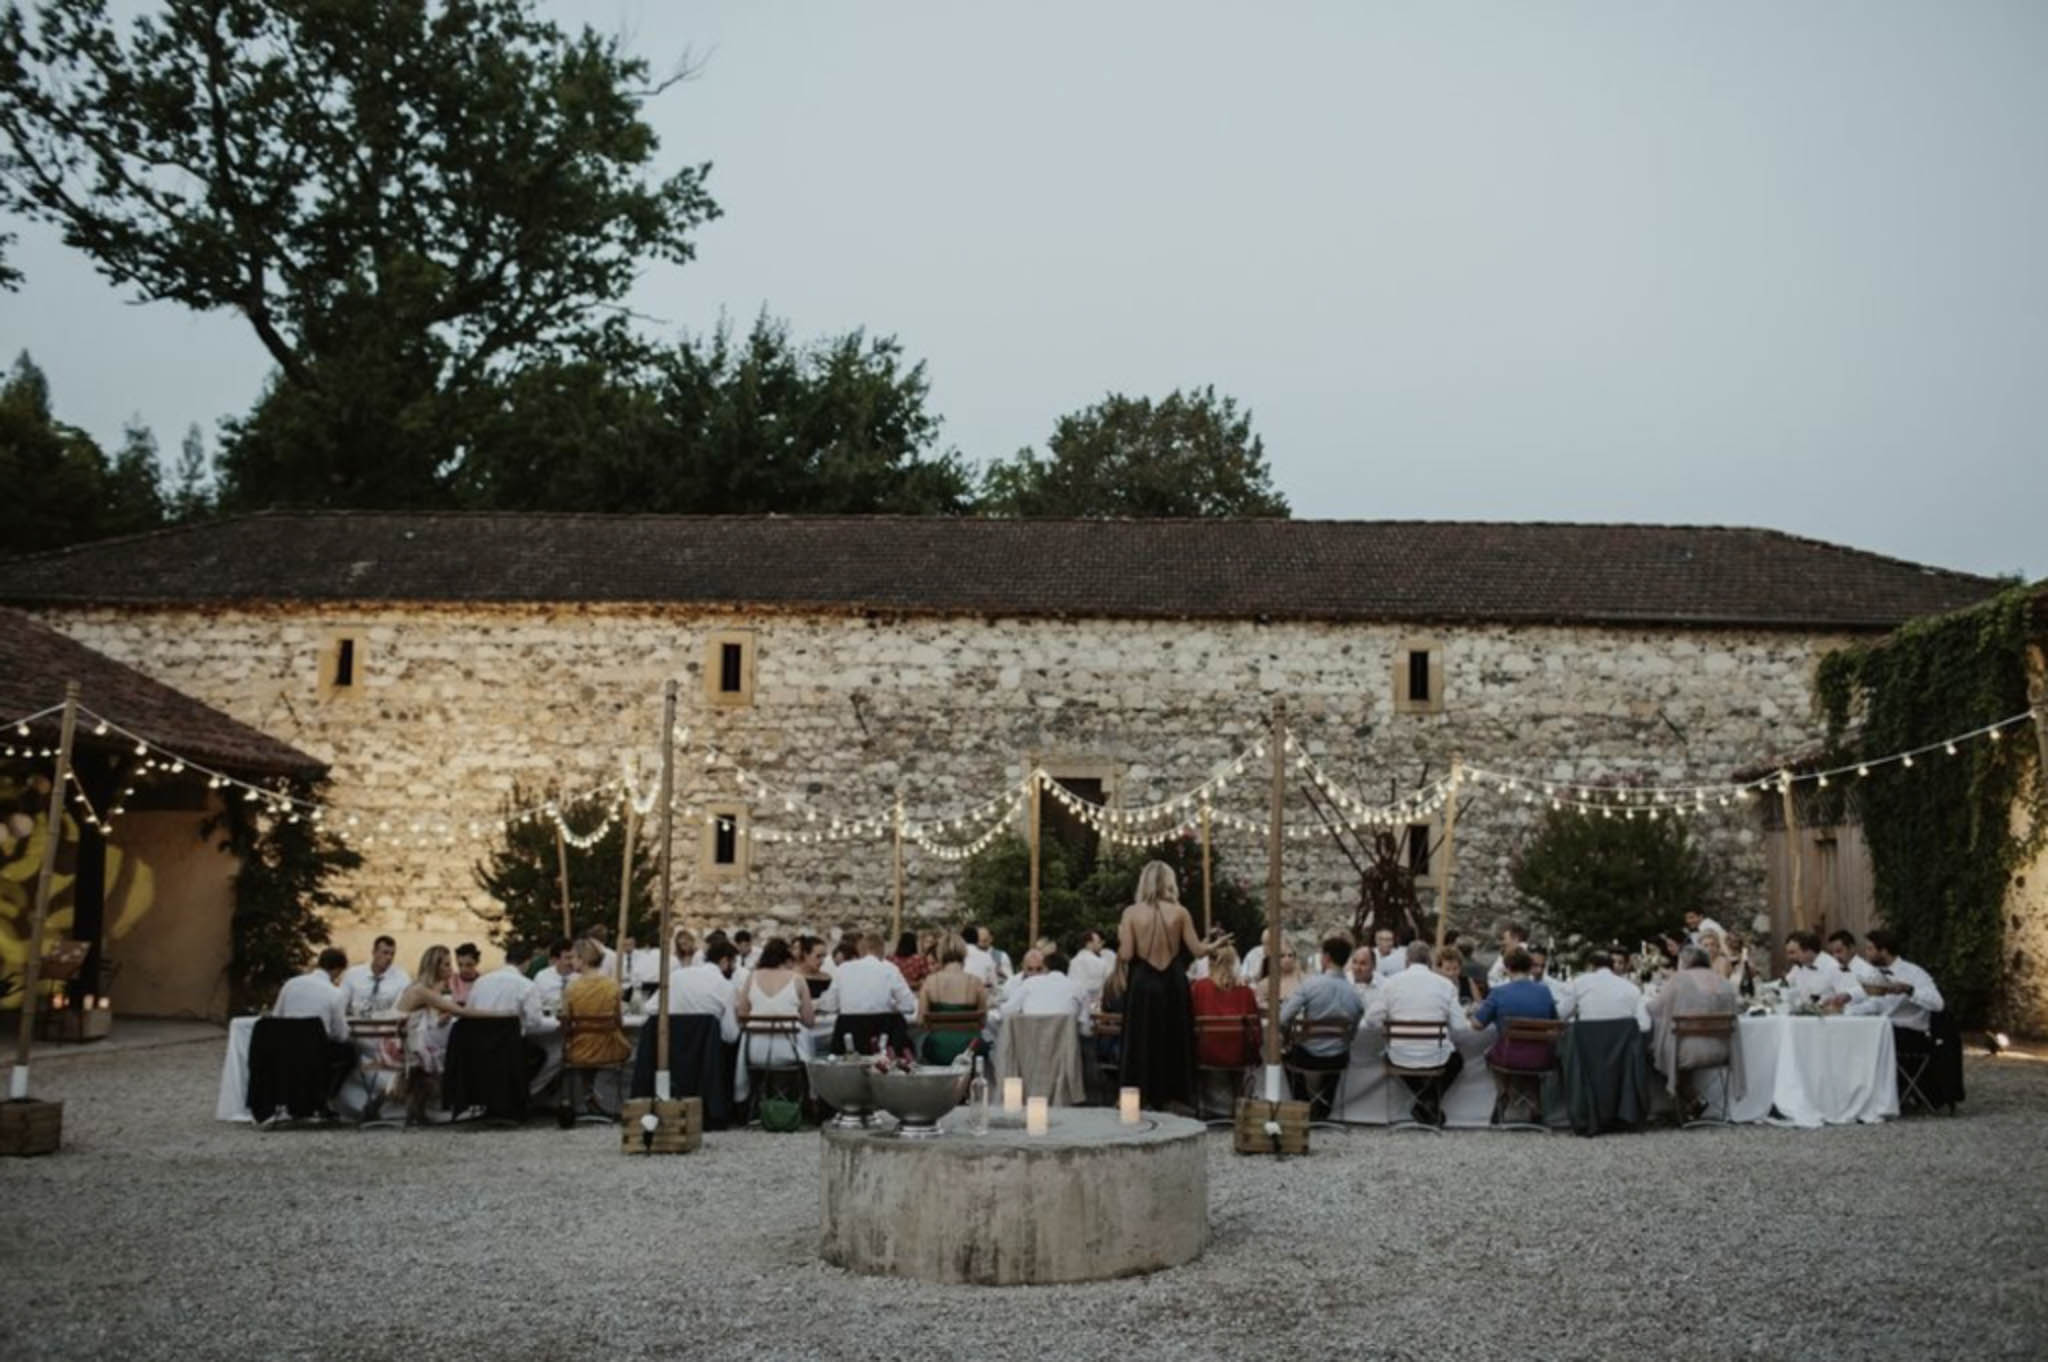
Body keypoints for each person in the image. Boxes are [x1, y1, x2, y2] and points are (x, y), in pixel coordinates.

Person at [1117, 860, 1228, 1113]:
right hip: (1173, 981)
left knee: (1141, 1037)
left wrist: (1120, 935)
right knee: (1173, 1036)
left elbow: (1126, 955)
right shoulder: (1180, 912)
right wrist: (1215, 945)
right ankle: (1174, 1095)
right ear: (1169, 882)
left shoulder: (1131, 913)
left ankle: (1139, 1095)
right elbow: (1198, 951)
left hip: (1143, 981)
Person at [1369, 942, 1465, 1125]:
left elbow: (1371, 1019)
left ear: (1407, 961)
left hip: (1399, 1054)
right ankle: (1427, 1102)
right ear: (1430, 961)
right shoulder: (1445, 985)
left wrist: (1388, 1024)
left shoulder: (1391, 983)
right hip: (1436, 1055)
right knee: (1456, 1060)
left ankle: (1424, 1102)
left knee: (1388, 1055)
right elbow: (1460, 1026)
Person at [1278, 936, 1364, 1111]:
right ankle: (1325, 1105)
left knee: (1286, 1055)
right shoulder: (1354, 994)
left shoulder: (1310, 985)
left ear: (1326, 958)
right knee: (1338, 1053)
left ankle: (1302, 1103)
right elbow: (1353, 1034)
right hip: (1338, 1058)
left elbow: (1283, 1018)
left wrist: (1289, 1034)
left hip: (1309, 1056)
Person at [394, 946, 476, 1122]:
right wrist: (503, 1013)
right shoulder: (422, 990)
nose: (452, 970)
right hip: (400, 1048)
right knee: (455, 1051)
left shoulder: (422, 987)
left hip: (406, 1043)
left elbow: (423, 1021)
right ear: (435, 966)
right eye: (447, 965)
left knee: (443, 1049)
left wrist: (441, 1020)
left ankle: (421, 1111)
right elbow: (463, 1012)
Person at [1647, 946, 1738, 1102]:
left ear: (1684, 962)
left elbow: (1654, 1008)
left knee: (1652, 1048)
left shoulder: (1678, 980)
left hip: (1686, 1052)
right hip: (1723, 1050)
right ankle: (1692, 1101)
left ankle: (1671, 1104)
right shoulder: (1724, 983)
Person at [1840, 929, 1944, 1057]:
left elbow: (1938, 1004)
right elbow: (1875, 1004)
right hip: (1886, 1031)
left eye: (1870, 949)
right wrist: (1844, 1011)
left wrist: (1909, 990)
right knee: (1850, 1036)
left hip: (1911, 1035)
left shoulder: (1914, 973)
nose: (1866, 954)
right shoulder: (1877, 973)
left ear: (1883, 951)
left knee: (1862, 1043)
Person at [819, 932, 918, 1054]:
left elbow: (829, 1006)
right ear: (882, 950)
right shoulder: (890, 969)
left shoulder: (843, 969)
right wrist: (891, 1005)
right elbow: (909, 1006)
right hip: (884, 1033)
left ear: (860, 950)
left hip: (849, 1031)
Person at [274, 946, 354, 1097]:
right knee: (349, 1053)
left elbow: (277, 1016)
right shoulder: (334, 993)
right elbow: (341, 1035)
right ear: (337, 970)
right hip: (316, 1053)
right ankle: (326, 1098)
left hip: (285, 1049)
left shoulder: (290, 984)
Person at [736, 937, 816, 1069]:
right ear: (787, 958)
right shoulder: (797, 979)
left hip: (755, 1052)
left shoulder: (752, 977)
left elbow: (742, 1014)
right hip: (790, 1050)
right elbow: (809, 1021)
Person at [1473, 947, 1558, 1070]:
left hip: (1508, 1057)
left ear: (1507, 968)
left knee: (1488, 1053)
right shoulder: (1544, 991)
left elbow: (1477, 1025)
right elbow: (1553, 1023)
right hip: (1541, 1058)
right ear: (1529, 968)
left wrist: (1472, 1013)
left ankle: (1504, 1089)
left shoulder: (1499, 992)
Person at [917, 933, 988, 1065]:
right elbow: (983, 1020)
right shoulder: (976, 982)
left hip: (937, 1048)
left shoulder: (930, 982)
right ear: (964, 953)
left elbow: (920, 1020)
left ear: (940, 954)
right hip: (970, 1049)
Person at [559, 938, 631, 1068]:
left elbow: (566, 1021)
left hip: (579, 1050)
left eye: (573, 957)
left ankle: (584, 1087)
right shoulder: (613, 985)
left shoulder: (572, 988)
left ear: (583, 959)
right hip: (611, 1049)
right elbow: (619, 1021)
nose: (571, 961)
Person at [1191, 945, 1261, 1071]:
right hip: (1239, 1056)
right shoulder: (1246, 992)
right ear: (1236, 962)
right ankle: (1239, 1090)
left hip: (1205, 1054)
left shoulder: (1198, 988)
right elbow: (1256, 1031)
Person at [660, 939, 741, 1043]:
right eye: (733, 962)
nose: (734, 968)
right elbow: (730, 1036)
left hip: (673, 1048)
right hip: (706, 1054)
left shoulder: (676, 976)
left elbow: (651, 1008)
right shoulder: (727, 987)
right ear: (724, 961)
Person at [1561, 946, 1651, 1031]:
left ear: (1590, 966)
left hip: (1587, 1044)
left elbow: (1561, 1014)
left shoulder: (1579, 983)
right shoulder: (1633, 989)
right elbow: (1645, 1026)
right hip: (1621, 1045)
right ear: (1611, 965)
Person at [998, 949, 1085, 1023]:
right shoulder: (1012, 982)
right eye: (1030, 969)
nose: (1034, 974)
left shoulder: (1038, 984)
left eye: (1039, 969)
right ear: (1022, 967)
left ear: (1045, 968)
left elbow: (1004, 1011)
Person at [341, 935, 410, 1015]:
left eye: (392, 954)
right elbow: (341, 1003)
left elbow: (400, 1010)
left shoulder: (402, 978)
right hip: (355, 1024)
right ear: (374, 952)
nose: (389, 957)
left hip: (388, 1025)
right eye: (385, 953)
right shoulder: (353, 974)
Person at [1784, 930, 1856, 1005]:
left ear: (1809, 951)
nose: (1789, 957)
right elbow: (1784, 985)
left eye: (1792, 953)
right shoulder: (1799, 967)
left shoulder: (1833, 967)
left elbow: (1850, 996)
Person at [1067, 929, 1114, 1002]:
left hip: (1076, 1002)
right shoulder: (1101, 963)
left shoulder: (1073, 961)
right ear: (1089, 943)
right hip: (1095, 1003)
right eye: (1098, 942)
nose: (1101, 944)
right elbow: (1108, 983)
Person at [532, 938, 577, 1011]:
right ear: (555, 960)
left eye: (574, 957)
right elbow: (535, 1003)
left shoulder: (581, 976)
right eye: (568, 958)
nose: (572, 961)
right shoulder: (542, 977)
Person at [1487, 922, 1530, 987]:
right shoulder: (1507, 952)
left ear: (1515, 938)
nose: (1501, 943)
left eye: (1503, 938)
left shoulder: (1524, 954)